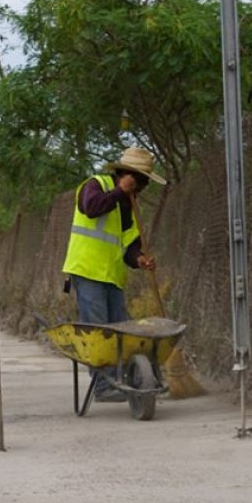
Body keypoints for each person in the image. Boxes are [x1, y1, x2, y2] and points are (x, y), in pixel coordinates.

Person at [61, 146, 165, 402]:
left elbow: (129, 246)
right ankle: (103, 386)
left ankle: (124, 379)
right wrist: (119, 191)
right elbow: (91, 207)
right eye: (140, 181)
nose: (141, 187)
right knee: (99, 331)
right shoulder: (95, 184)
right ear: (126, 174)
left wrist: (139, 259)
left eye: (143, 183)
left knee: (120, 330)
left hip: (113, 276)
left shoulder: (130, 206)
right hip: (88, 271)